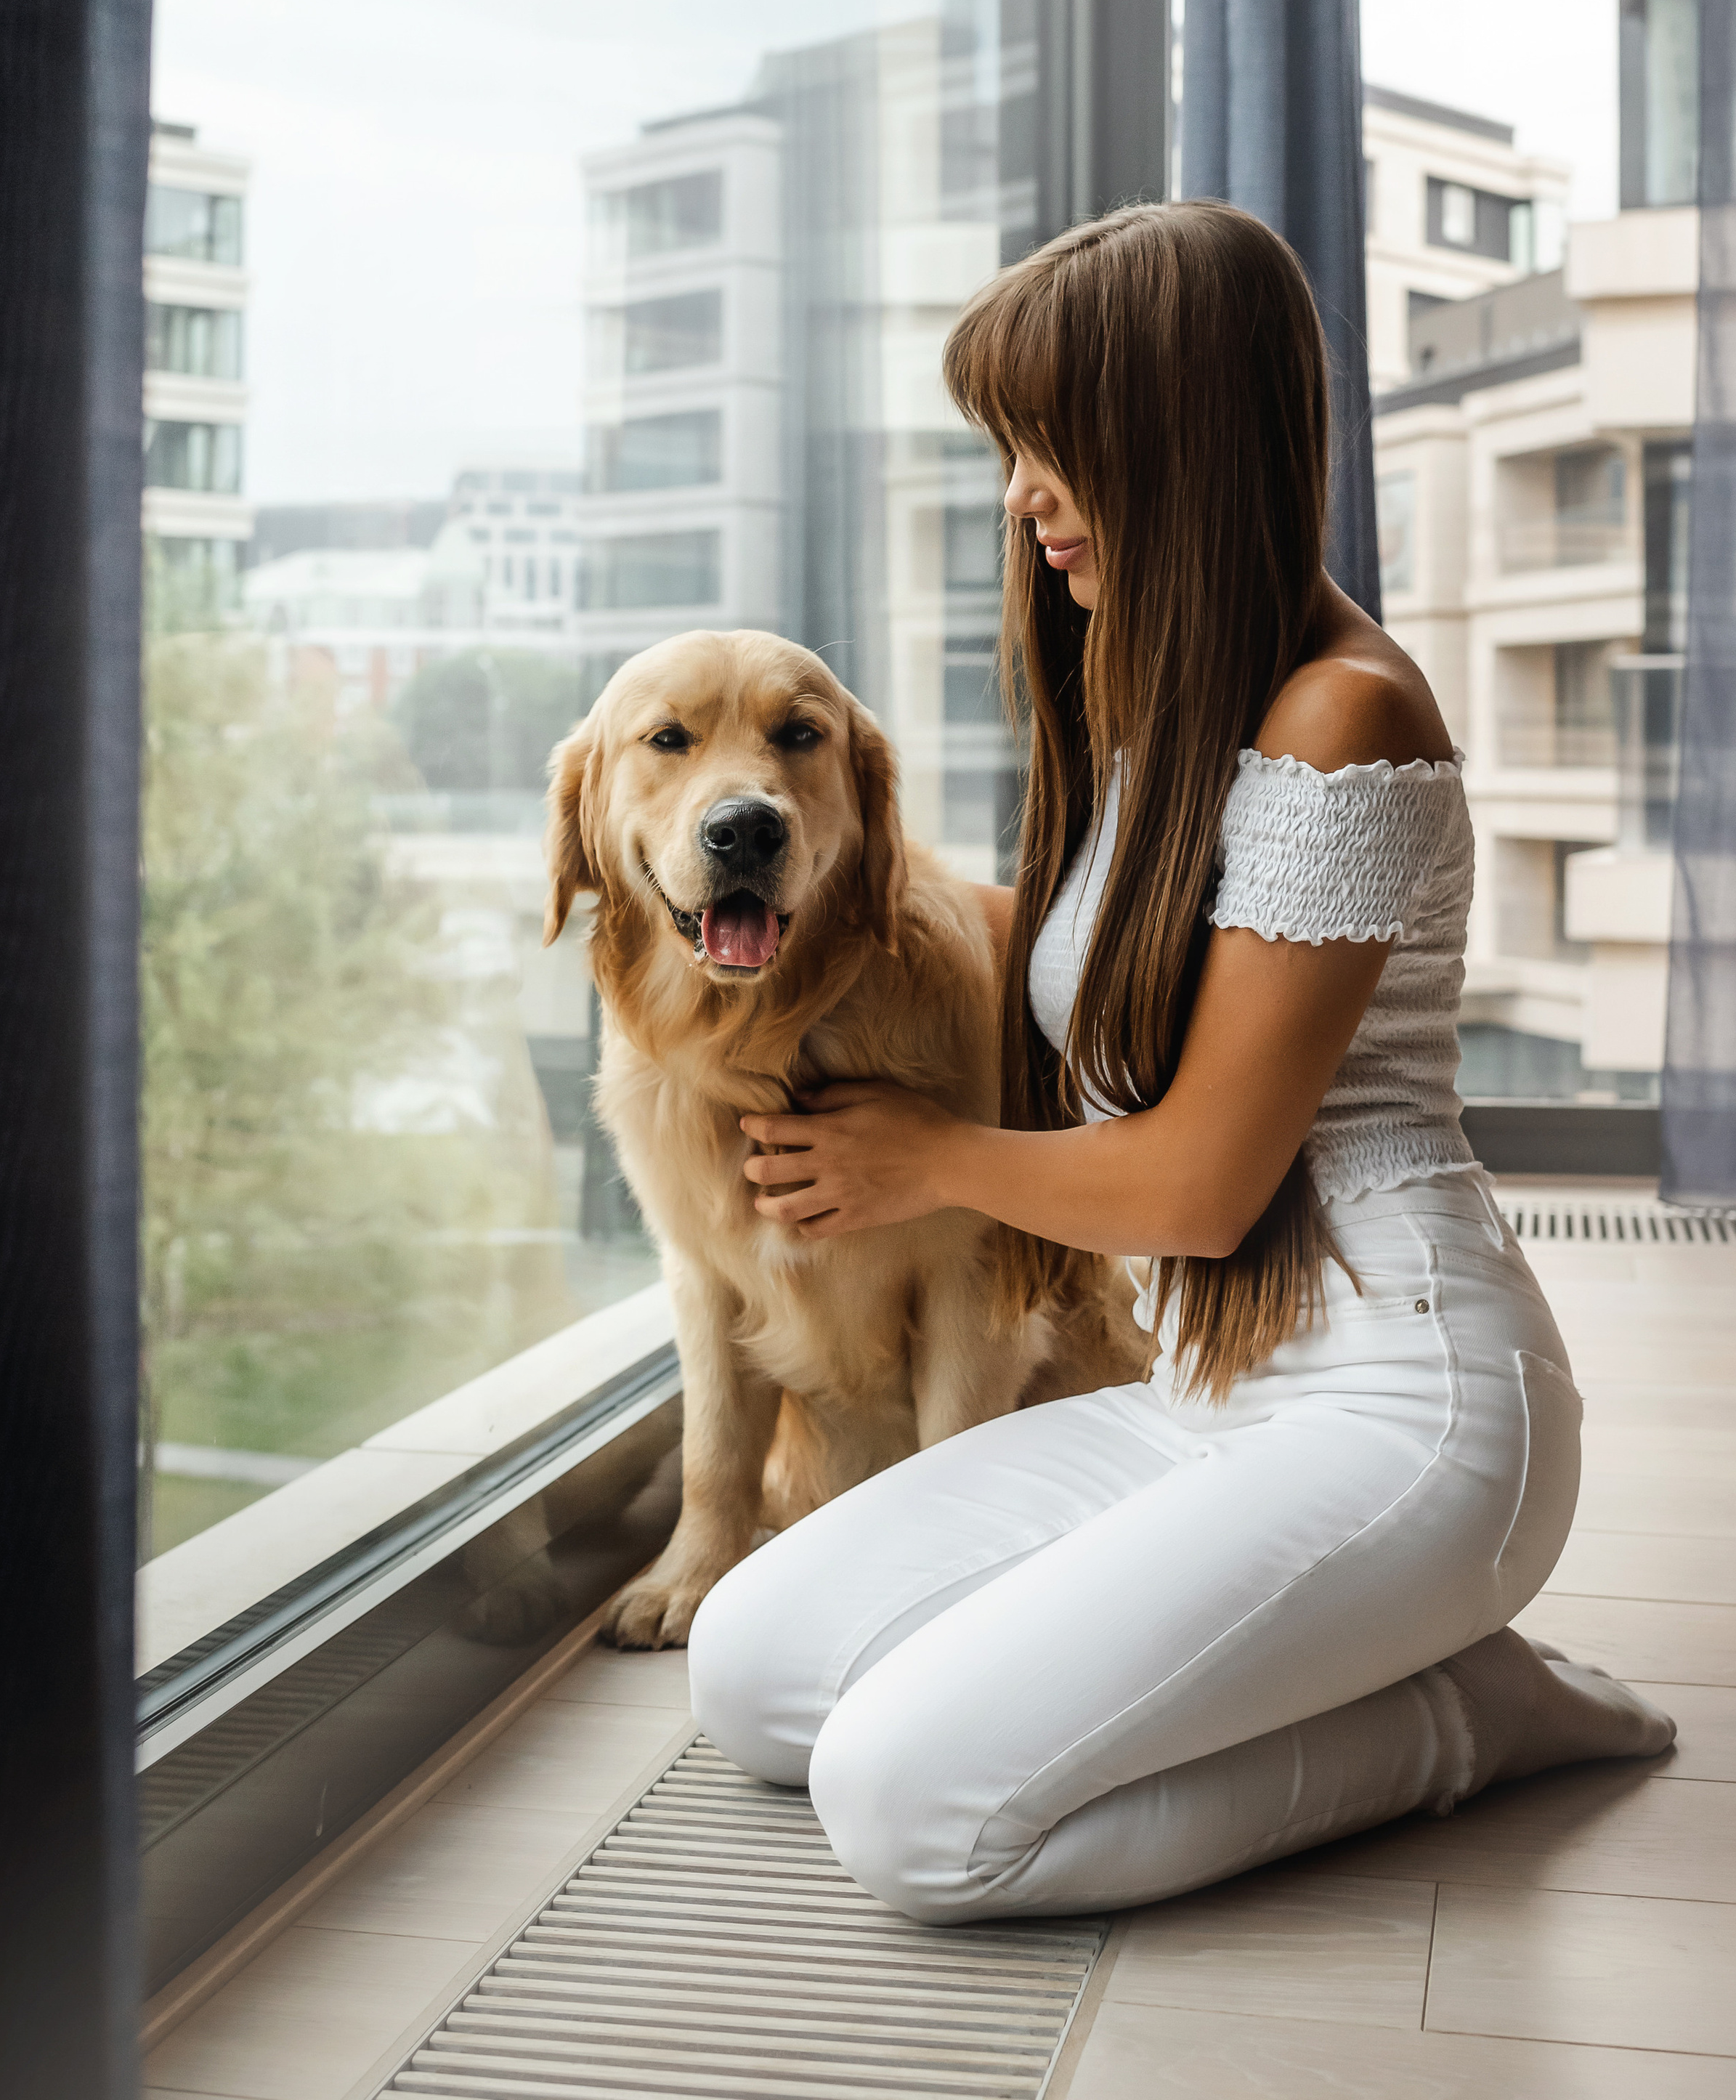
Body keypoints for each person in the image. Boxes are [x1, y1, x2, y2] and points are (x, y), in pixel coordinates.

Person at [687, 201, 1672, 1924]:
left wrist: (923, 1158)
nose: (1023, 496)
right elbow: (1106, 972)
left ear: (1183, 439)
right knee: (755, 1675)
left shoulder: (1340, 714)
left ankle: (1465, 1712)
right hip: (1210, 1399)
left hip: (1407, 1410)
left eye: (1050, 444)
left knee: (910, 1814)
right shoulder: (1157, 704)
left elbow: (1204, 1184)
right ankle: (1310, 1650)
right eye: (1010, 449)